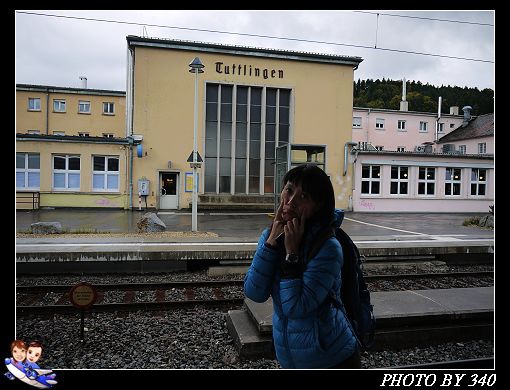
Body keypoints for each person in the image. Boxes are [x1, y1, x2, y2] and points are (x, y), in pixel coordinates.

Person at [244, 163, 361, 369]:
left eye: (304, 197)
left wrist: (292, 255)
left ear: (319, 205)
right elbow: (254, 292)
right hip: (292, 359)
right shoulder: (272, 235)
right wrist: (270, 244)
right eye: (289, 190)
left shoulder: (328, 247)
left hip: (331, 358)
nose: (290, 201)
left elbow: (296, 308)